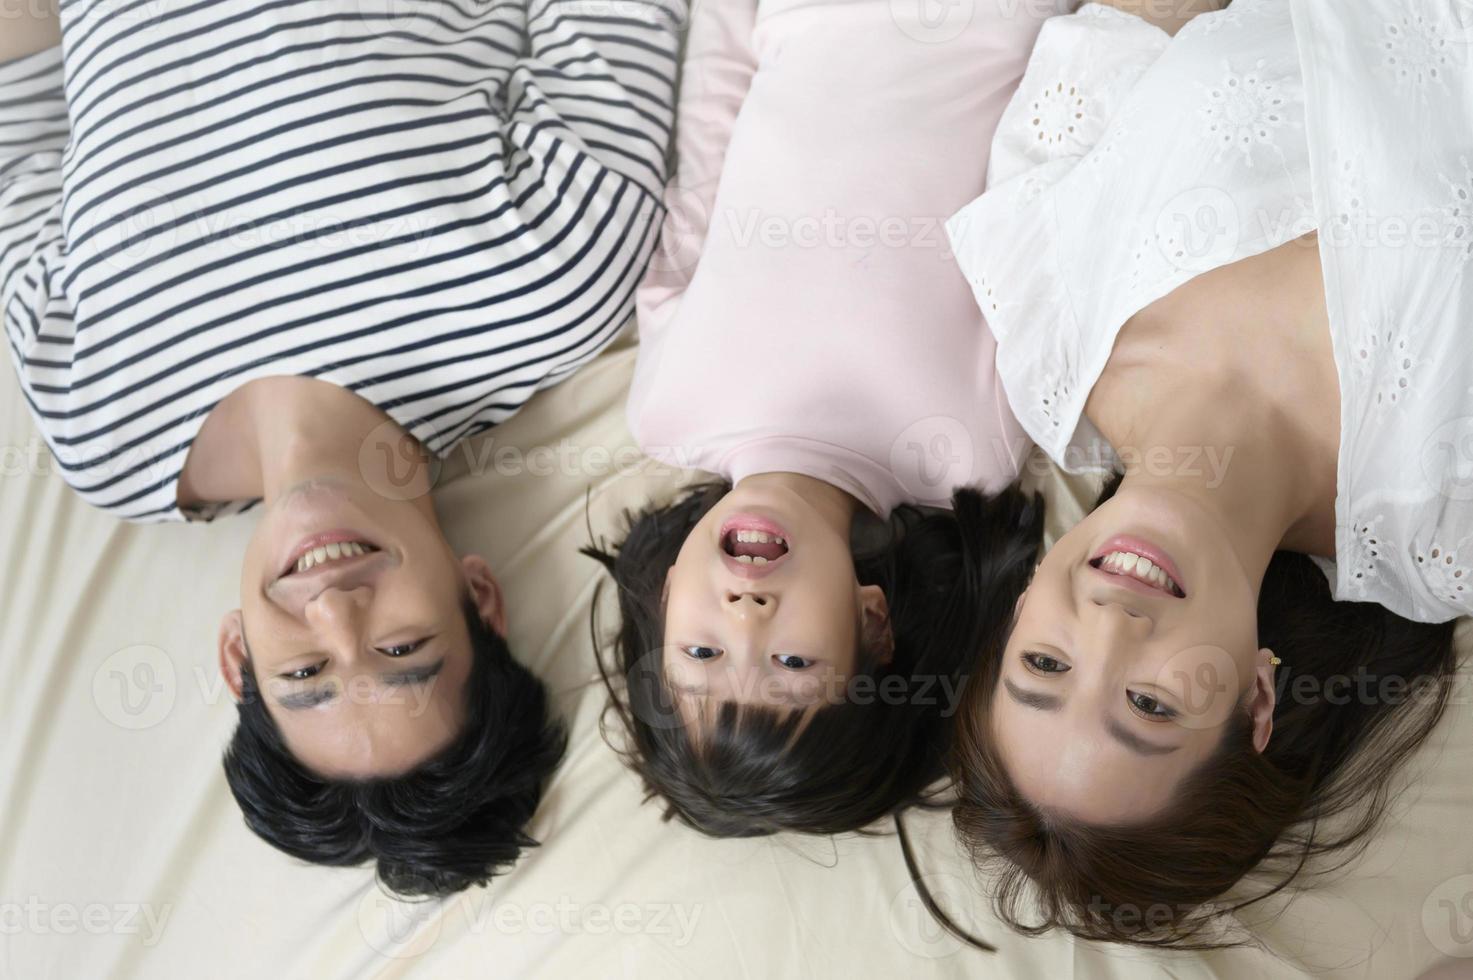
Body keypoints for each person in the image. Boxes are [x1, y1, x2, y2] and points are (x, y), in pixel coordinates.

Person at [1, 0, 684, 895]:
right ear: (478, 595)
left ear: (238, 658)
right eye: (402, 651)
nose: (334, 608)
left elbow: (18, 119)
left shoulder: (100, 427)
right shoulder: (547, 286)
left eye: (305, 672)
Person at [939, 0, 1470, 947]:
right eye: (1147, 703)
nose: (1107, 630)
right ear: (1255, 697)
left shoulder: (1043, 331)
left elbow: (1140, 18)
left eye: (1045, 665)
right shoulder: (1443, 528)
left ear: (1016, 610)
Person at [583, 0, 1056, 838]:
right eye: (792, 663)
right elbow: (1041, 183)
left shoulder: (668, 407)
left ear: (661, 605)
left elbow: (704, 155)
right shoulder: (966, 450)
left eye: (701, 655)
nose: (743, 615)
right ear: (871, 624)